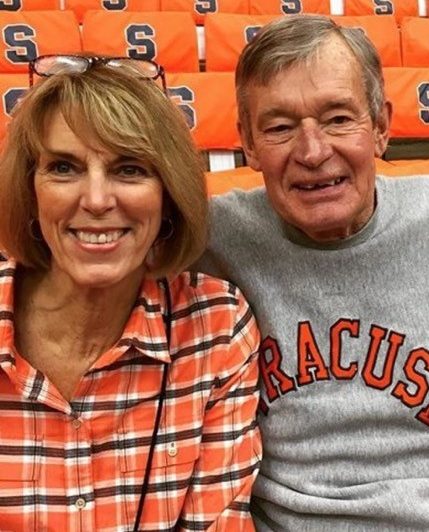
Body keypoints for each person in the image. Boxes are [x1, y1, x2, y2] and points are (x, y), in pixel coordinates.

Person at [0, 55, 261, 531]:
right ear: (30, 193)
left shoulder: (216, 326)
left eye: (129, 169)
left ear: (168, 198)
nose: (97, 200)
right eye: (63, 167)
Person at [199, 14, 429, 531]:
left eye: (338, 118)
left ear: (382, 126)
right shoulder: (208, 236)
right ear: (248, 144)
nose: (312, 151)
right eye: (280, 127)